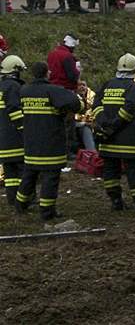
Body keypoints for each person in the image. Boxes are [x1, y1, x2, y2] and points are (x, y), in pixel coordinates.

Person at [16, 62, 82, 220]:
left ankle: (20, 204)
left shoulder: (24, 90)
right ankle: (47, 211)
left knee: (29, 174)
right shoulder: (53, 90)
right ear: (47, 73)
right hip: (51, 142)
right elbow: (75, 104)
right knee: (50, 178)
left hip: (31, 142)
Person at [94, 53, 135, 212]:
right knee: (134, 173)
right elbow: (128, 109)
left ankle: (116, 201)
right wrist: (114, 125)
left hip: (108, 140)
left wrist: (104, 124)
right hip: (128, 141)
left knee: (110, 171)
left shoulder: (107, 84)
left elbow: (96, 105)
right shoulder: (133, 87)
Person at [0, 55, 26, 207]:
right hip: (15, 139)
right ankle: (24, 200)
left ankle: (12, 199)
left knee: (10, 173)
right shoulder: (13, 87)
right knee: (22, 171)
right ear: (15, 71)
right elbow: (14, 110)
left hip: (3, 140)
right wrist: (24, 129)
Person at [74, 80, 97, 151]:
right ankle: (92, 153)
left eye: (84, 85)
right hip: (75, 125)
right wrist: (85, 122)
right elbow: (73, 116)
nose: (82, 87)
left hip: (89, 124)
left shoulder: (92, 97)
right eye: (79, 85)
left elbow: (93, 113)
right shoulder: (72, 97)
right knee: (85, 128)